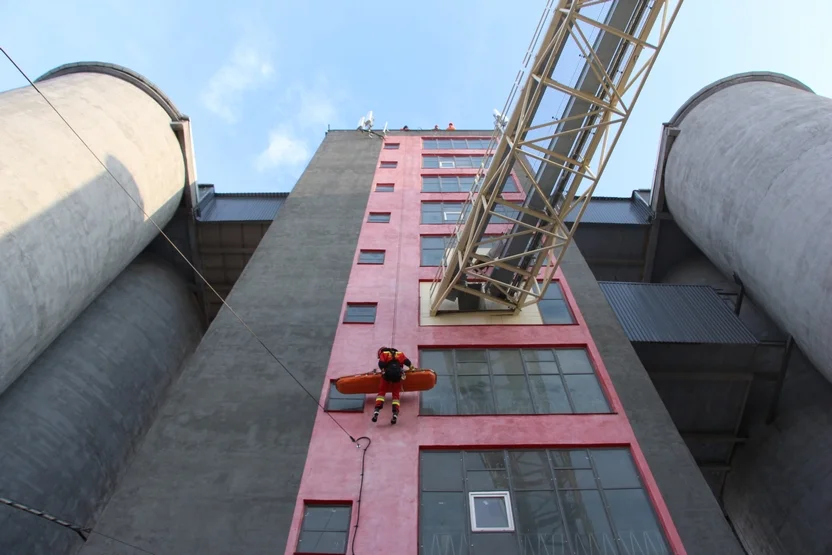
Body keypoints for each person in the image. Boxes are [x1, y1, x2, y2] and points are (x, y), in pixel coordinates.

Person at [373, 346, 413, 424]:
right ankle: (395, 413)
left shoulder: (384, 354)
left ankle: (377, 410)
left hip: (386, 376)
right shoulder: (400, 354)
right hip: (397, 376)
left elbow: (381, 363)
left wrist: (383, 370)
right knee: (396, 395)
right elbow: (408, 362)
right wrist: (412, 368)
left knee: (381, 392)